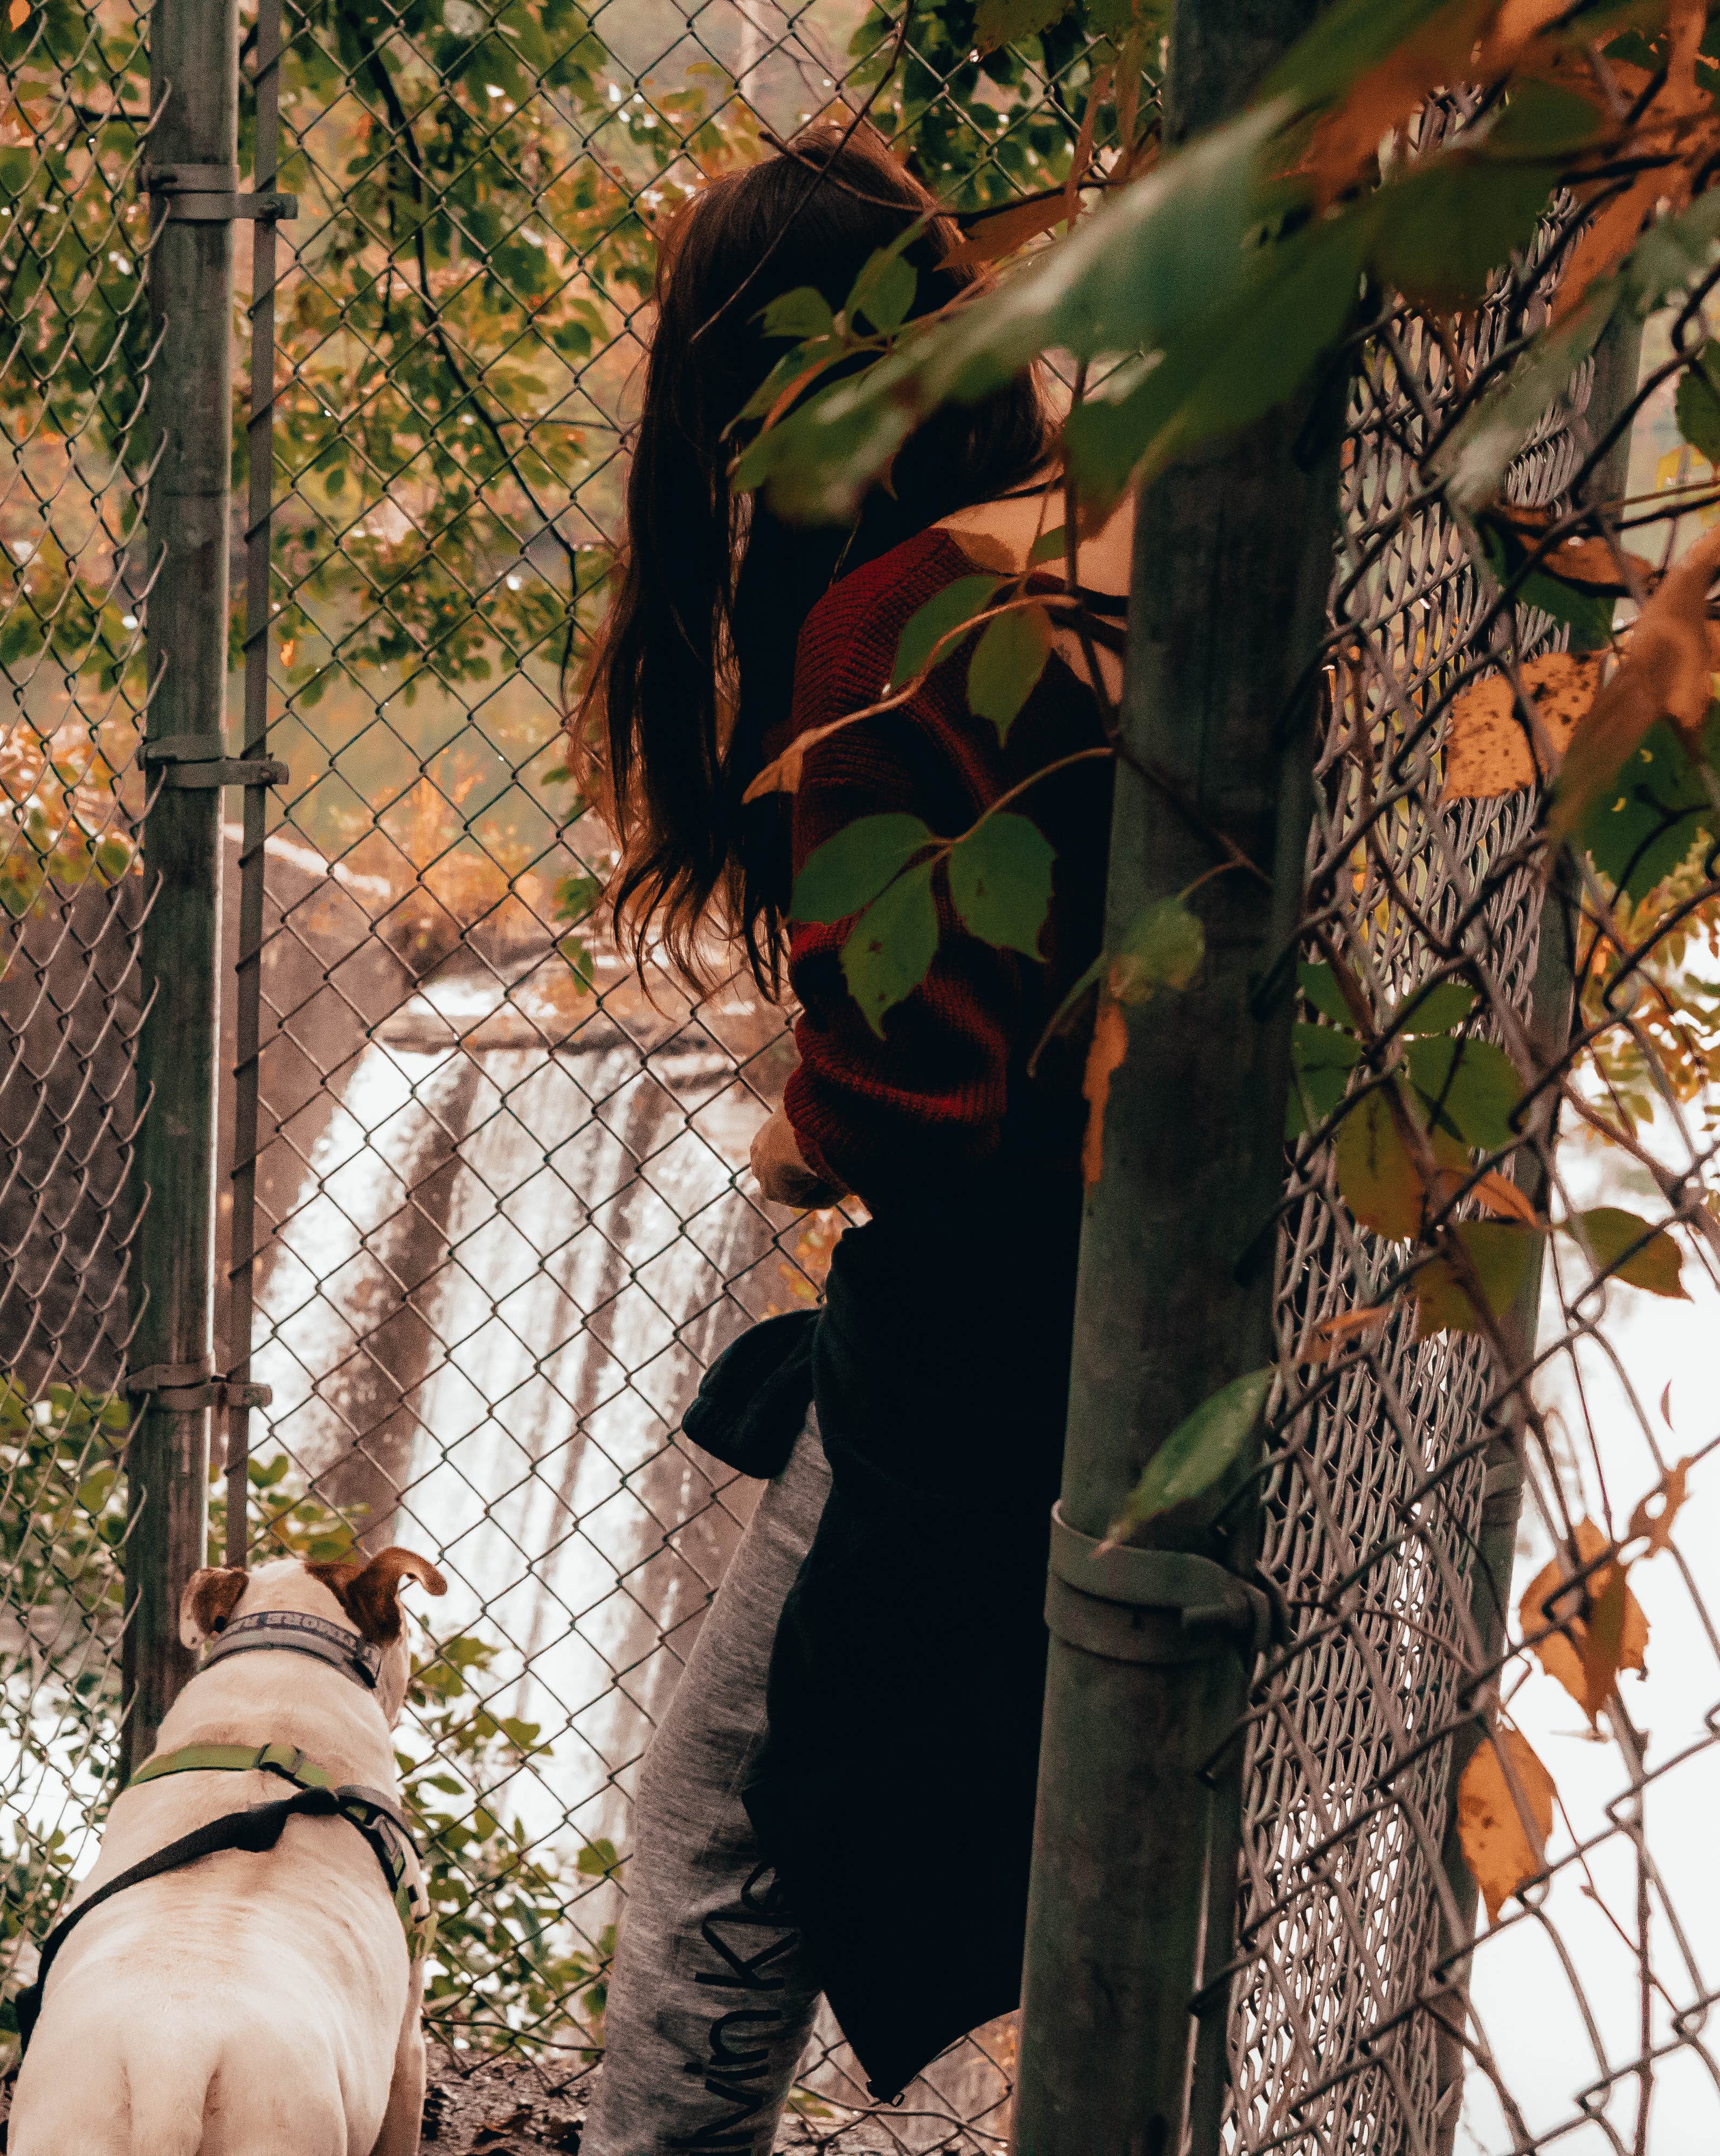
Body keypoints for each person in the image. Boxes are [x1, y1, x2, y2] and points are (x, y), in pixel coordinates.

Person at [569, 124, 1131, 2152]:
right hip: (1098, 1293)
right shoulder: (1066, 543)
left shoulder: (878, 626)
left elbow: (922, 1096)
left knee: (725, 1820)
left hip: (987, 1328)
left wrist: (807, 1130)